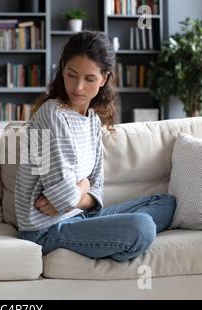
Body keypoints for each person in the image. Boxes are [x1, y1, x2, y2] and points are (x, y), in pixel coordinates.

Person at [15, 31, 176, 262]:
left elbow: (96, 189)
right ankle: (118, 241)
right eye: (71, 75)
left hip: (80, 218)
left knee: (165, 203)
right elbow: (65, 198)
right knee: (141, 227)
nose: (78, 87)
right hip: (44, 230)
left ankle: (110, 240)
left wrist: (78, 193)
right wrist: (84, 186)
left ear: (104, 79)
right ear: (62, 70)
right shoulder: (53, 114)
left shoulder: (92, 121)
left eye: (89, 79)